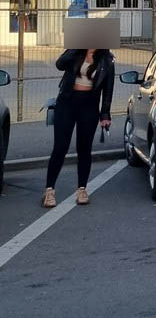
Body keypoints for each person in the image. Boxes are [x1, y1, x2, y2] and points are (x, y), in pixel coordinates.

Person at [42, 47, 115, 208]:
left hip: (89, 106)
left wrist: (105, 114)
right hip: (67, 103)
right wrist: (75, 48)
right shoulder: (76, 52)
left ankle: (82, 189)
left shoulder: (107, 59)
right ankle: (49, 191)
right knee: (60, 148)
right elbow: (59, 64)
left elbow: (108, 89)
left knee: (84, 149)